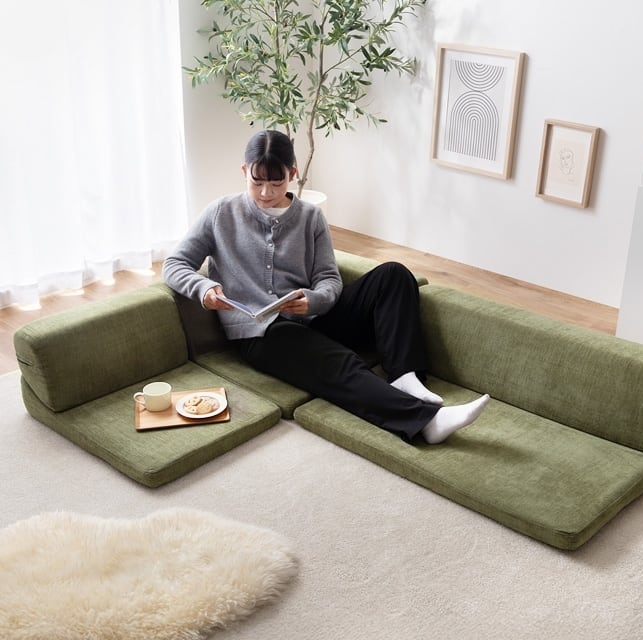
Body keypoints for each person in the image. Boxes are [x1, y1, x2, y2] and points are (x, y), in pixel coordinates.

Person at [163, 130, 489, 444]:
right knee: (337, 362)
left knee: (394, 275)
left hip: (313, 318)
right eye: (256, 182)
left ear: (292, 174)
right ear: (244, 171)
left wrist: (313, 300)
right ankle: (427, 422)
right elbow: (174, 264)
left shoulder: (310, 217)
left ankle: (405, 376)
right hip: (261, 334)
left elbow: (329, 279)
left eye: (276, 183)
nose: (265, 192)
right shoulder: (221, 213)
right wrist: (203, 289)